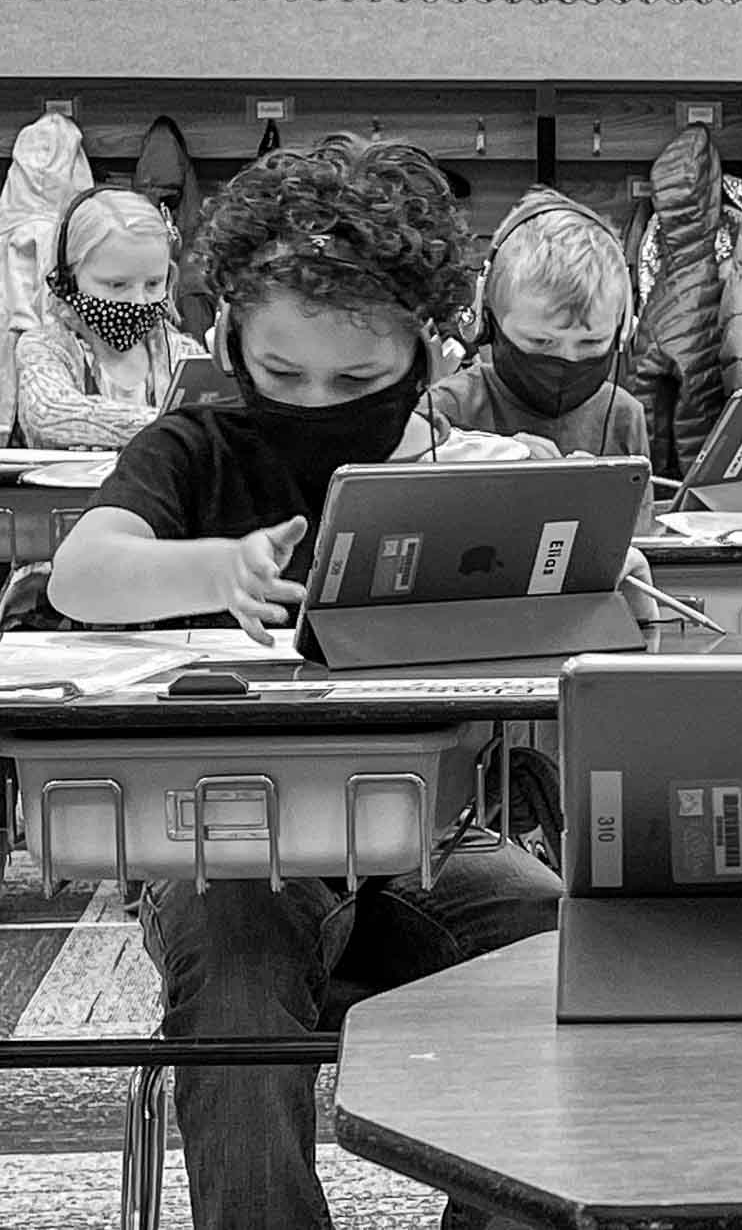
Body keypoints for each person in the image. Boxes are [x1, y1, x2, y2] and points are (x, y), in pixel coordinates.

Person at [45, 134, 647, 1230]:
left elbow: (568, 641)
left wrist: (601, 582)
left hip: (430, 842)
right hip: (222, 838)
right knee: (234, 978)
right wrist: (216, 567)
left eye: (359, 380)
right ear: (230, 336)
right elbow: (82, 575)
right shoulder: (196, 449)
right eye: (281, 373)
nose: (317, 401)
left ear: (426, 347)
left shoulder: (454, 463)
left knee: (567, 946)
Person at [430, 187, 651, 458]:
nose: (566, 359)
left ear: (621, 333)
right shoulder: (443, 410)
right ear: (487, 323)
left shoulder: (624, 417)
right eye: (540, 341)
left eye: (591, 342)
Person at [14, 186, 203, 448]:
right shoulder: (45, 349)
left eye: (153, 284)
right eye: (117, 285)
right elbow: (50, 415)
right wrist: (178, 426)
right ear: (69, 280)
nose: (138, 301)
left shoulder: (184, 355)